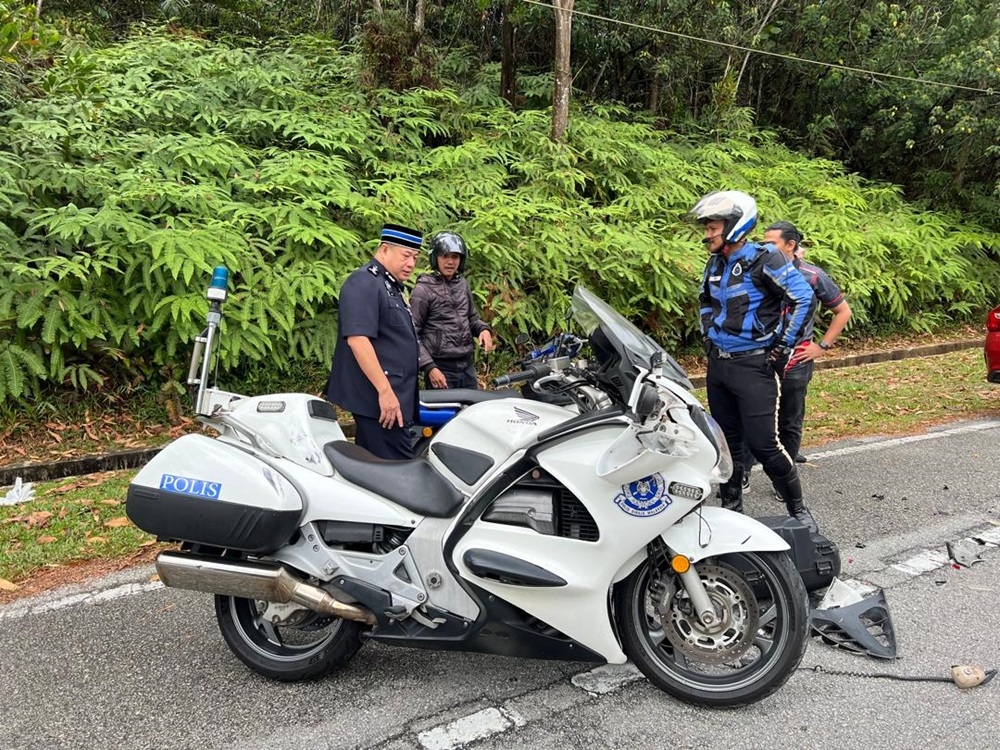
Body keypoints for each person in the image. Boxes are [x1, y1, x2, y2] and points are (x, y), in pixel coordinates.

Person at [693, 190, 821, 533]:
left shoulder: (765, 259)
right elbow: (705, 301)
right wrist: (708, 336)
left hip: (755, 367)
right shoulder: (715, 263)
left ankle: (798, 510)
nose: (707, 234)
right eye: (707, 228)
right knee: (727, 445)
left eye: (713, 228)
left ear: (734, 226)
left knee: (765, 445)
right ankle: (732, 509)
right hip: (719, 368)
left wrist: (781, 347)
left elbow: (803, 298)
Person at [742, 221, 853, 492]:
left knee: (789, 420)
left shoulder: (812, 275)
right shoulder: (755, 271)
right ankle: (741, 473)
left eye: (771, 244)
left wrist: (822, 346)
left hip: (796, 359)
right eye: (762, 243)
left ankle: (784, 482)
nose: (764, 249)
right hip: (758, 356)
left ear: (791, 245)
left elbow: (843, 311)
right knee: (750, 415)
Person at [325, 223, 423, 460]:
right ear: (385, 249)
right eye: (406, 255)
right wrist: (385, 392)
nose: (411, 264)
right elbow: (358, 340)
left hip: (393, 397)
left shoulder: (389, 285)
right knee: (399, 469)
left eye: (415, 257)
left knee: (372, 467)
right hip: (379, 401)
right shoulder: (364, 282)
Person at [409, 231, 494, 389]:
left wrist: (483, 330)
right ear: (435, 258)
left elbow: (472, 319)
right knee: (446, 406)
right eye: (445, 256)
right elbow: (412, 333)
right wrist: (429, 367)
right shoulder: (423, 289)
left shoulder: (462, 285)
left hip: (467, 366)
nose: (450, 262)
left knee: (473, 405)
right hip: (441, 368)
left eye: (455, 257)